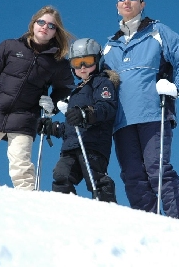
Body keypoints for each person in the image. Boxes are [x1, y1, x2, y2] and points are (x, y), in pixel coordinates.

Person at [101, 0, 179, 221]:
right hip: (122, 121)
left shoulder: (157, 32)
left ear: (142, 4)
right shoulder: (109, 46)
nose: (127, 1)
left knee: (158, 170)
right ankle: (149, 227)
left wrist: (176, 88)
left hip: (154, 114)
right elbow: (97, 82)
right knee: (132, 175)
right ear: (117, 6)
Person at [0, 5, 74, 190]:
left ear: (56, 32)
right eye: (41, 22)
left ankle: (27, 206)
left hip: (24, 118)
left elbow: (64, 89)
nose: (45, 27)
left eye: (51, 26)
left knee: (22, 168)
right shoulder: (10, 47)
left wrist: (52, 106)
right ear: (33, 24)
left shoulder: (57, 63)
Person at [38, 38, 119, 202]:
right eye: (77, 63)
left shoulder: (102, 83)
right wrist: (53, 128)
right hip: (71, 146)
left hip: (93, 145)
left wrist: (85, 114)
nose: (82, 67)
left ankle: (108, 208)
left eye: (88, 61)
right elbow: (72, 125)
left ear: (97, 60)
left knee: (95, 179)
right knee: (61, 175)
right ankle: (67, 209)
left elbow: (106, 108)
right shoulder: (75, 92)